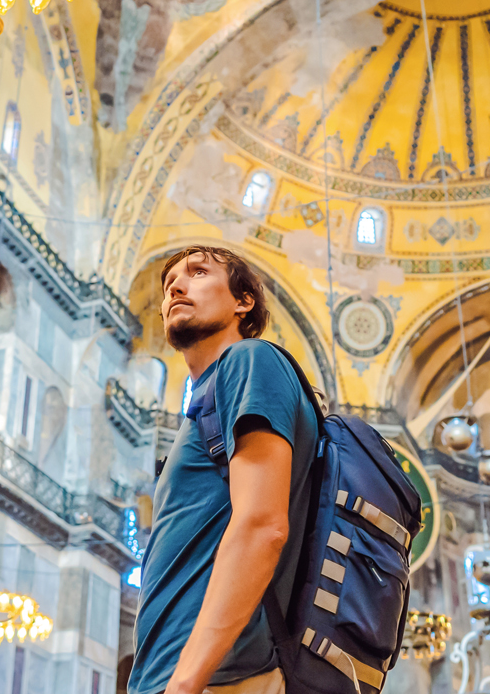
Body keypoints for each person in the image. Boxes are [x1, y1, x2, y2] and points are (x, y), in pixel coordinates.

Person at [128, 246, 319, 694]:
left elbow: (262, 526)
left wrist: (186, 680)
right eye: (169, 281)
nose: (175, 285)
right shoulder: (208, 400)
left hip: (218, 679)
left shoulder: (249, 361)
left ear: (243, 301)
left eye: (197, 272)